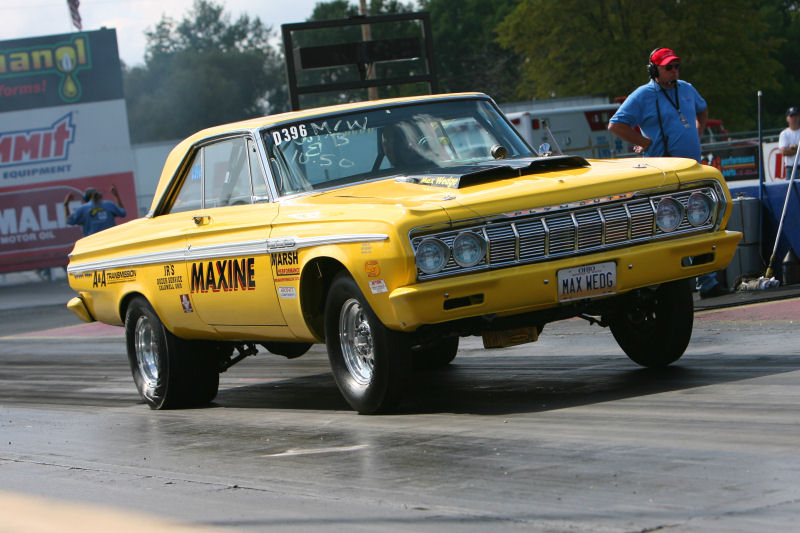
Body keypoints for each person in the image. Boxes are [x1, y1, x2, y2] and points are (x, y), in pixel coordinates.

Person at [608, 47, 727, 299]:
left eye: (676, 66)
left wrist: (699, 131)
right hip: (664, 172)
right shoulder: (643, 95)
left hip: (692, 169)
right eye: (668, 67)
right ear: (654, 70)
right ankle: (672, 285)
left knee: (701, 221)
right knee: (670, 227)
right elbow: (616, 125)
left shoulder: (686, 89)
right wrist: (644, 142)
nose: (674, 71)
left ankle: (707, 281)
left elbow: (703, 109)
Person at [779, 107, 799, 179]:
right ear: (787, 118)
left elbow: (787, 150)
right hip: (790, 168)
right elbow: (784, 152)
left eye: (796, 116)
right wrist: (798, 148)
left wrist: (792, 147)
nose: (794, 118)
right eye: (791, 116)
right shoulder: (784, 134)